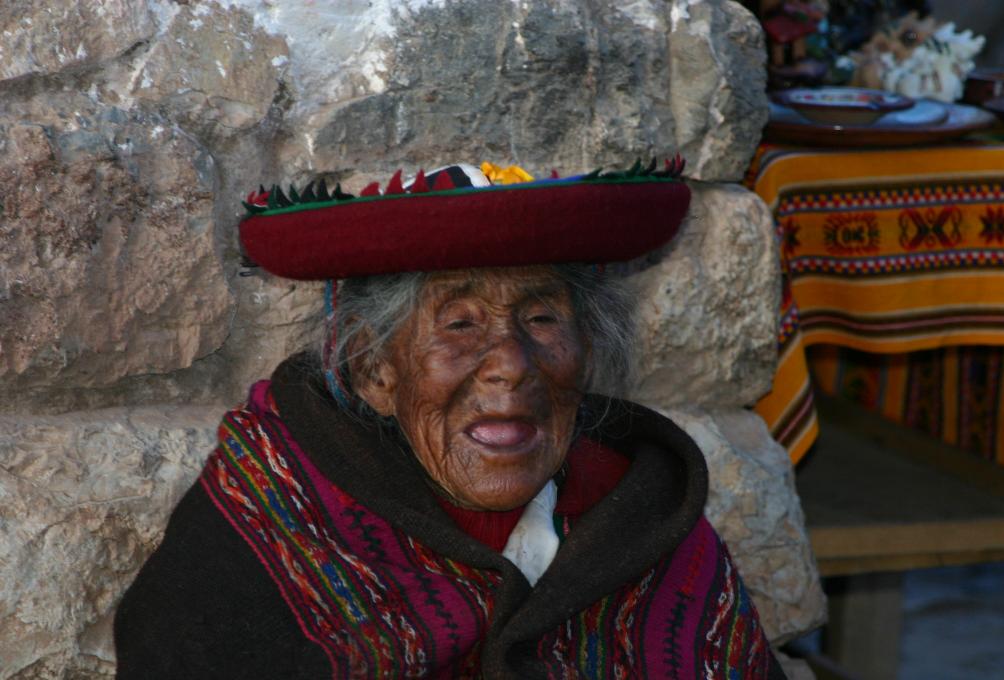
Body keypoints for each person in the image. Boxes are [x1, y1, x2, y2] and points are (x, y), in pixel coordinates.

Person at [114, 160, 786, 679]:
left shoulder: (646, 525)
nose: (511, 365)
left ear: (585, 351)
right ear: (375, 370)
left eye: (542, 318)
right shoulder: (274, 522)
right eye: (460, 323)